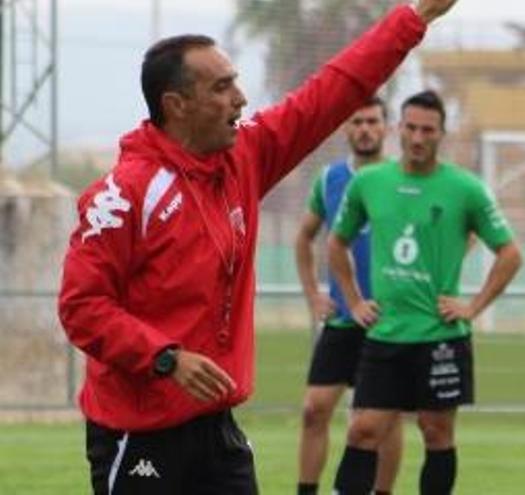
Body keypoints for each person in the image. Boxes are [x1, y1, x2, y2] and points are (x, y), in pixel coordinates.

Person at [56, 2, 458, 493]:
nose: (240, 99)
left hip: (216, 428)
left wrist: (414, 18)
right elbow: (83, 307)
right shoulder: (122, 196)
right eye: (221, 88)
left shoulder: (243, 157)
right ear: (176, 104)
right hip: (139, 433)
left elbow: (329, 93)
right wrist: (166, 358)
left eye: (236, 83)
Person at [329, 90, 523, 495]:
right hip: (385, 334)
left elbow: (509, 253)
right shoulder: (370, 182)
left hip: (440, 338)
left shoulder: (465, 188)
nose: (418, 138)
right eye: (411, 128)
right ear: (399, 129)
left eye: (427, 130)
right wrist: (352, 300)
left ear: (441, 134)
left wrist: (473, 306)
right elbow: (336, 242)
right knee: (364, 430)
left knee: (436, 432)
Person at [295, 97, 403, 495]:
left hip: (390, 320)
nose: (365, 129)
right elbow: (305, 238)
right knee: (313, 409)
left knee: (382, 420)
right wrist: (313, 295)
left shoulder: (402, 177)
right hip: (343, 317)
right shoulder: (330, 180)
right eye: (357, 122)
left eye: (373, 121)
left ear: (387, 128)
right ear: (345, 129)